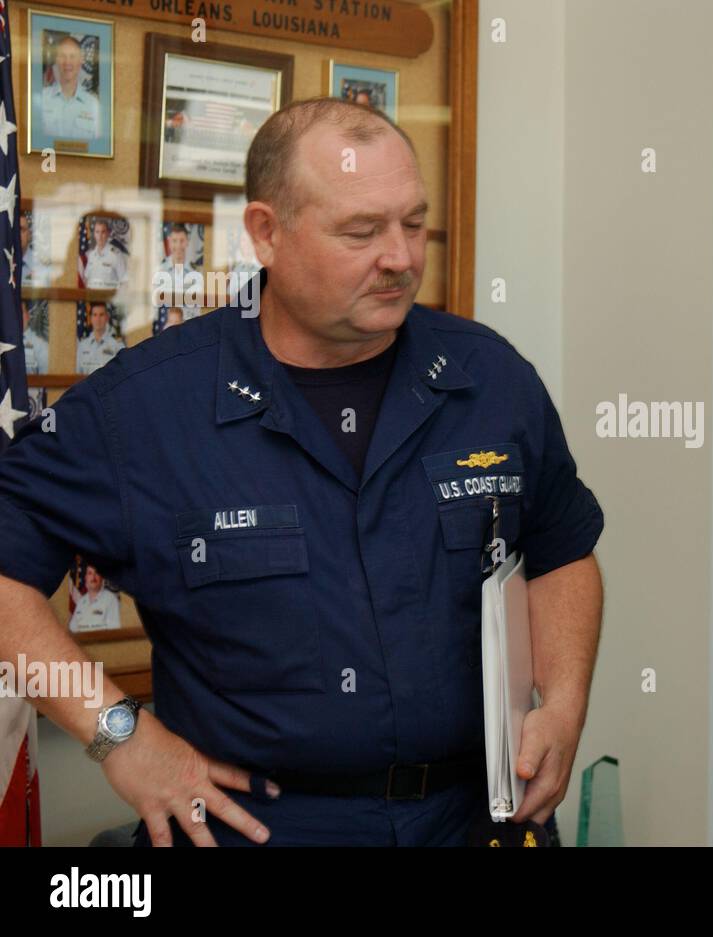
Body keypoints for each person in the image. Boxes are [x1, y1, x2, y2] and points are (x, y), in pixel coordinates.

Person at [0, 96, 605, 847]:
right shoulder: (149, 408)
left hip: (478, 816)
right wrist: (117, 735)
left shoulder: (490, 378)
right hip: (270, 824)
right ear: (266, 233)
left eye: (412, 223)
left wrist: (567, 696)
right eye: (361, 231)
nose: (401, 257)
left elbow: (561, 549)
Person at [40, 35, 100, 141]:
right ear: (56, 60)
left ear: (81, 60)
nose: (67, 62)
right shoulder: (42, 99)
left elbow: (99, 149)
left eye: (72, 56)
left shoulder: (93, 105)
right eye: (62, 56)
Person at [68, 564, 120, 634]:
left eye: (97, 573)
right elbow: (73, 628)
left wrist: (86, 628)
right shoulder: (81, 601)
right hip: (82, 642)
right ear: (86, 578)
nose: (93, 577)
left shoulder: (111, 600)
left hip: (101, 643)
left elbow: (113, 628)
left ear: (101, 578)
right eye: (90, 573)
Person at [75, 301, 124, 374]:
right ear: (90, 318)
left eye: (101, 315)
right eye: (95, 315)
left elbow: (121, 373)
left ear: (107, 318)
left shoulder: (117, 346)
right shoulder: (83, 346)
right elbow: (77, 373)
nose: (98, 319)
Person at [79, 219, 128, 289]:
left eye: (103, 232)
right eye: (97, 232)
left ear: (108, 233)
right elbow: (86, 279)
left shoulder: (116, 255)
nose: (100, 236)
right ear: (94, 234)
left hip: (108, 298)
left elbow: (124, 282)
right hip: (93, 297)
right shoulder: (91, 255)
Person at [21, 302, 48, 376]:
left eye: (21, 312)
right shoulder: (3, 344)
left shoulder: (40, 345)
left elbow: (46, 379)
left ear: (28, 316)